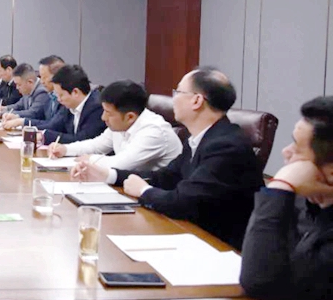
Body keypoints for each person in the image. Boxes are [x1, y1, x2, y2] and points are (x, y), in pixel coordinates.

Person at [71, 67, 263, 250]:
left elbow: (184, 202)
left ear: (197, 101)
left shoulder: (226, 146)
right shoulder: (198, 138)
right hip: (191, 232)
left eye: (178, 92)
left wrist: (143, 190)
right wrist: (108, 175)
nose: (173, 99)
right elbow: (166, 177)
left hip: (219, 245)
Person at [240, 96, 333, 300]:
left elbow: (262, 282)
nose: (286, 152)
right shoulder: (306, 200)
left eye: (298, 148)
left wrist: (280, 186)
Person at [50, 80, 182, 173]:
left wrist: (90, 159)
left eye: (108, 113)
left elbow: (121, 164)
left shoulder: (154, 131)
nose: (103, 117)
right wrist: (65, 149)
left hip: (156, 195)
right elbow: (97, 145)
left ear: (130, 117)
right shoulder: (121, 123)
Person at [40, 64, 105, 145]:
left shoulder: (97, 107)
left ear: (75, 92)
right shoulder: (69, 105)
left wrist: (44, 136)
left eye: (61, 95)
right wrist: (35, 132)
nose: (59, 99)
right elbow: (54, 126)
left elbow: (82, 140)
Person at [2, 55, 65, 130]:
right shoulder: (51, 94)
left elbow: (36, 115)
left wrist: (21, 121)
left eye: (44, 77)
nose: (42, 81)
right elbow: (19, 105)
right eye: (41, 77)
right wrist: (6, 110)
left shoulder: (44, 92)